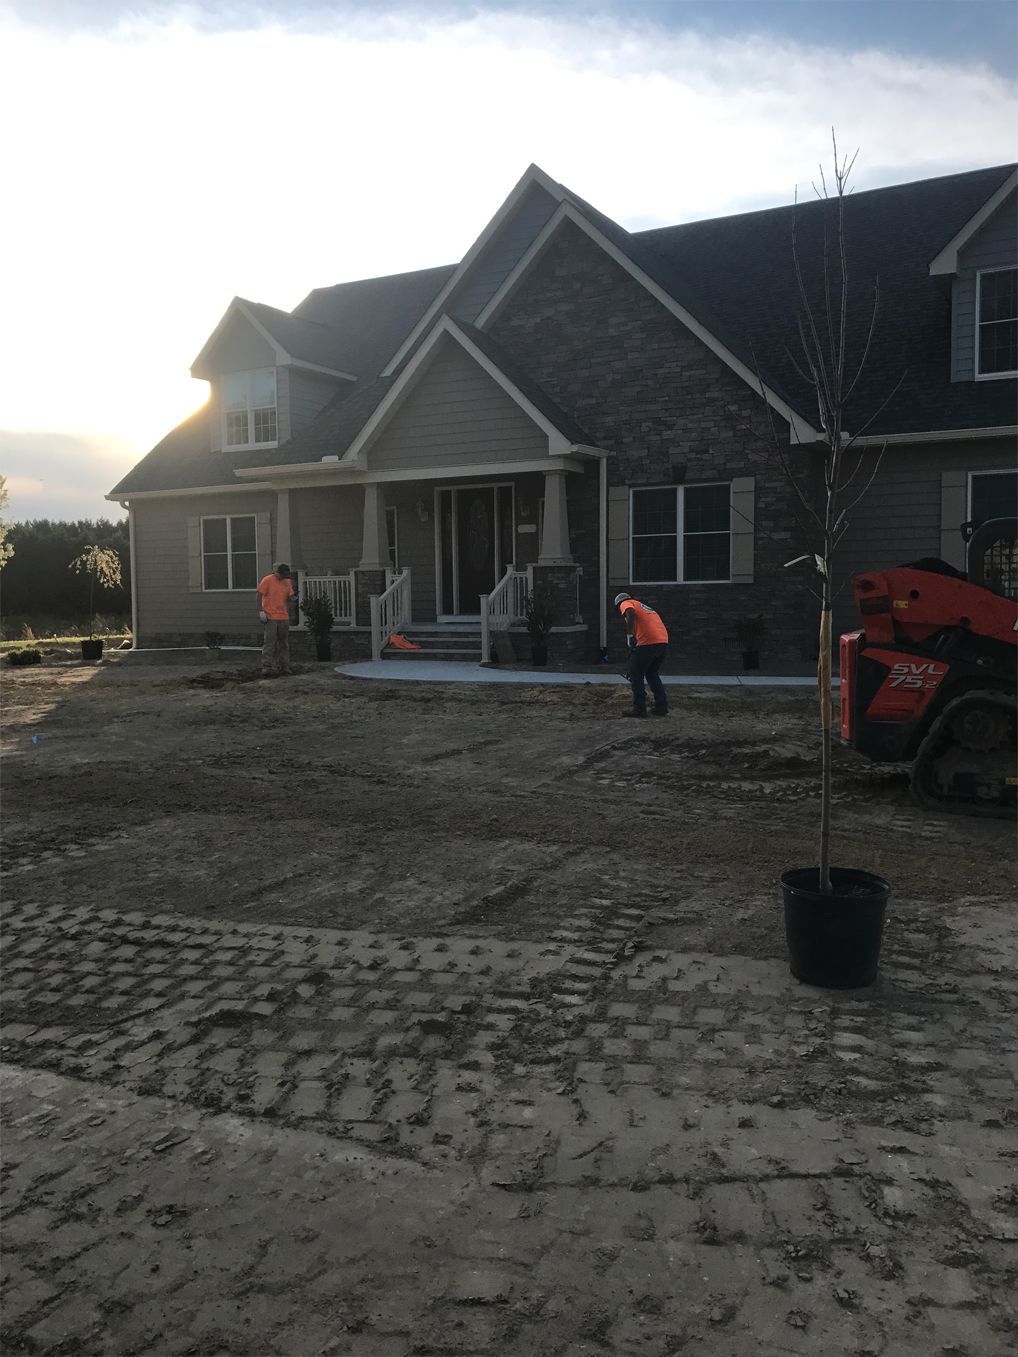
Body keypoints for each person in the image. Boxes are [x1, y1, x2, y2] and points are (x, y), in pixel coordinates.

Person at [615, 592, 669, 718]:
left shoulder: (626, 603)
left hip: (647, 643)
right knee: (652, 674)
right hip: (662, 642)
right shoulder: (644, 606)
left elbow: (630, 613)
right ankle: (662, 707)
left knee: (636, 675)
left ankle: (639, 709)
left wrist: (630, 635)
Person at [257, 563, 296, 677]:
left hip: (283, 616)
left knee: (284, 643)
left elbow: (289, 597)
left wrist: (294, 597)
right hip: (270, 616)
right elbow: (259, 595)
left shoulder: (287, 582)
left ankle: (284, 666)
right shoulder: (268, 580)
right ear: (278, 573)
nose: (284, 577)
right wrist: (261, 611)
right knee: (270, 642)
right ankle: (267, 666)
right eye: (283, 575)